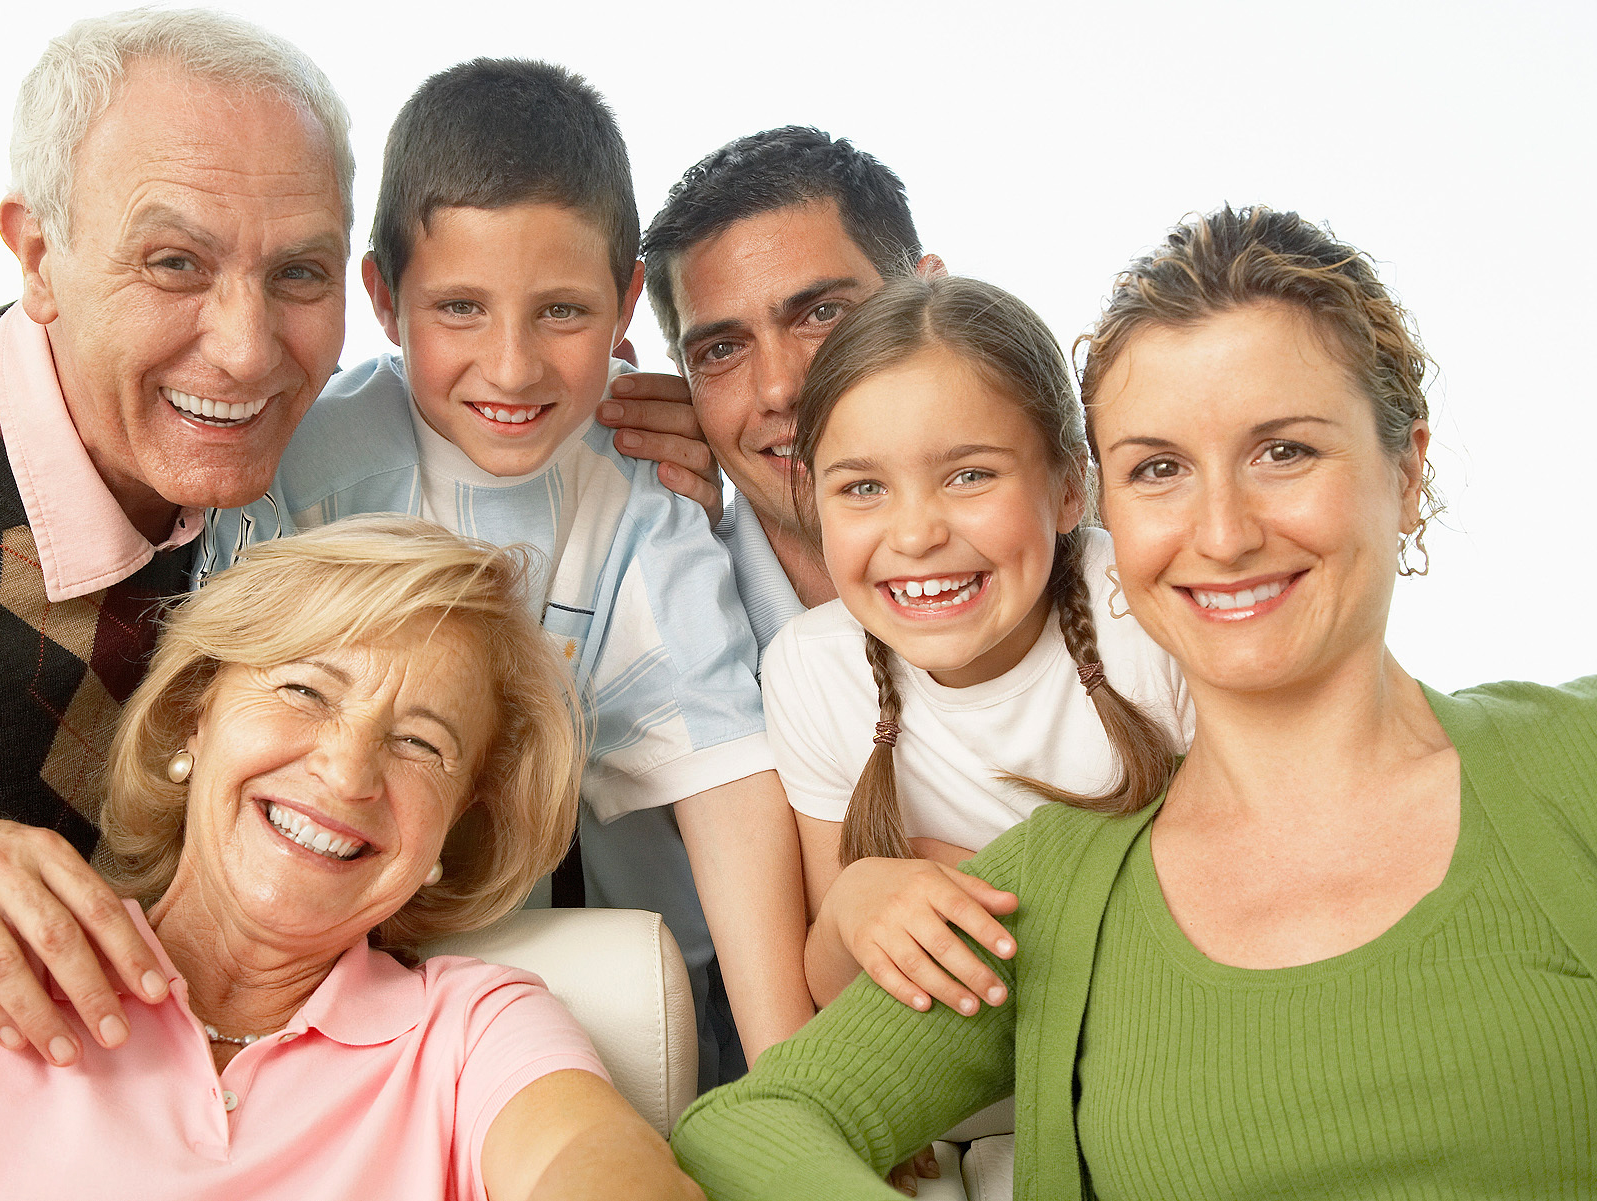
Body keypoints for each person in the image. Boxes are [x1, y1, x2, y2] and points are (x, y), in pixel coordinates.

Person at [670, 206, 1597, 1198]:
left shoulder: (1566, 766)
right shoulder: (1062, 885)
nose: (1225, 531)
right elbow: (755, 1122)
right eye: (1159, 469)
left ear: (1406, 472)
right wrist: (856, 900)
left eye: (1284, 451)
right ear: (1112, 501)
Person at [197, 60, 812, 1087]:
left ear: (625, 304)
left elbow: (726, 776)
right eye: (462, 309)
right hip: (334, 937)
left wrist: (798, 1080)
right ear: (385, 300)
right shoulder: (302, 469)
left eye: (564, 313)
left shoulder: (643, 479)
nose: (515, 367)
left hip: (607, 950)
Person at [0, 515, 705, 1201]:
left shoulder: (474, 1031)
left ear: (453, 829)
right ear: (196, 710)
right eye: (305, 688)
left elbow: (599, 1167)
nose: (347, 772)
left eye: (421, 744)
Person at [0, 8, 352, 1066]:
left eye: (298, 274)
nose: (245, 352)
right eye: (175, 263)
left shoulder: (336, 482)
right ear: (39, 257)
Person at [768, 276, 1191, 1018]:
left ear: (1069, 487)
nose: (916, 533)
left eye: (969, 475)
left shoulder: (1146, 612)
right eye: (863, 487)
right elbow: (840, 998)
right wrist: (849, 910)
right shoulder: (811, 668)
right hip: (962, 1119)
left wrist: (1014, 892)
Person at [638, 126, 944, 655]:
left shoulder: (1113, 571)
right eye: (721, 350)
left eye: (821, 315)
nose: (780, 389)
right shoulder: (651, 644)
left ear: (933, 294)